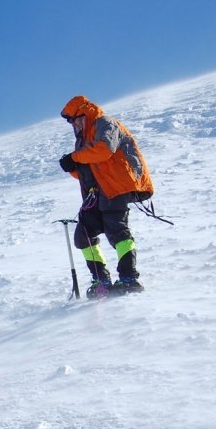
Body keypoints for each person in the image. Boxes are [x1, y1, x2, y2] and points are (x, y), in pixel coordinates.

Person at [58, 95, 154, 297]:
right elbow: (88, 170)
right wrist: (72, 168)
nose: (72, 124)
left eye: (73, 119)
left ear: (83, 113)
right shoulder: (83, 137)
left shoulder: (105, 123)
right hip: (95, 192)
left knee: (116, 230)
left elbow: (104, 150)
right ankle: (101, 281)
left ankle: (129, 279)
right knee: (83, 235)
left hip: (114, 186)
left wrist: (74, 157)